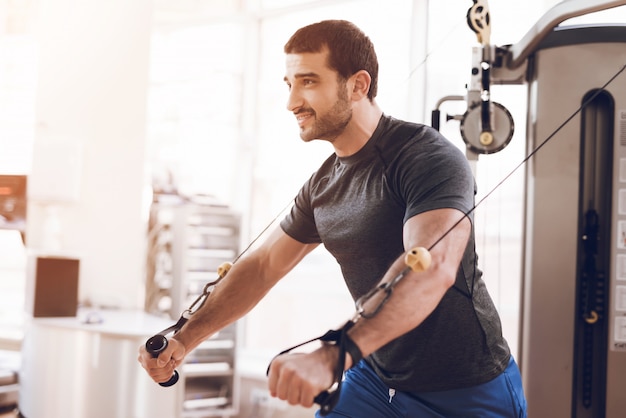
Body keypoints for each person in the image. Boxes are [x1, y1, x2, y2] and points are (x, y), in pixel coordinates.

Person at [138, 19, 527, 417]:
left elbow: (432, 265)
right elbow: (263, 266)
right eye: (289, 84)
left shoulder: (425, 157)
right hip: (374, 377)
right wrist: (185, 337)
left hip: (464, 388)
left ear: (358, 85)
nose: (292, 102)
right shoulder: (323, 184)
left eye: (308, 81)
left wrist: (332, 357)